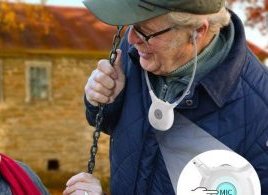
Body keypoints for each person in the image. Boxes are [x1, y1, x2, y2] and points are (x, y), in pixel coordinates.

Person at [80, 0, 268, 194]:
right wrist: (104, 101)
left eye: (145, 31)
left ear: (197, 32)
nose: (132, 39)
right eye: (132, 26)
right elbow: (116, 127)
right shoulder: (139, 51)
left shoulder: (261, 113)